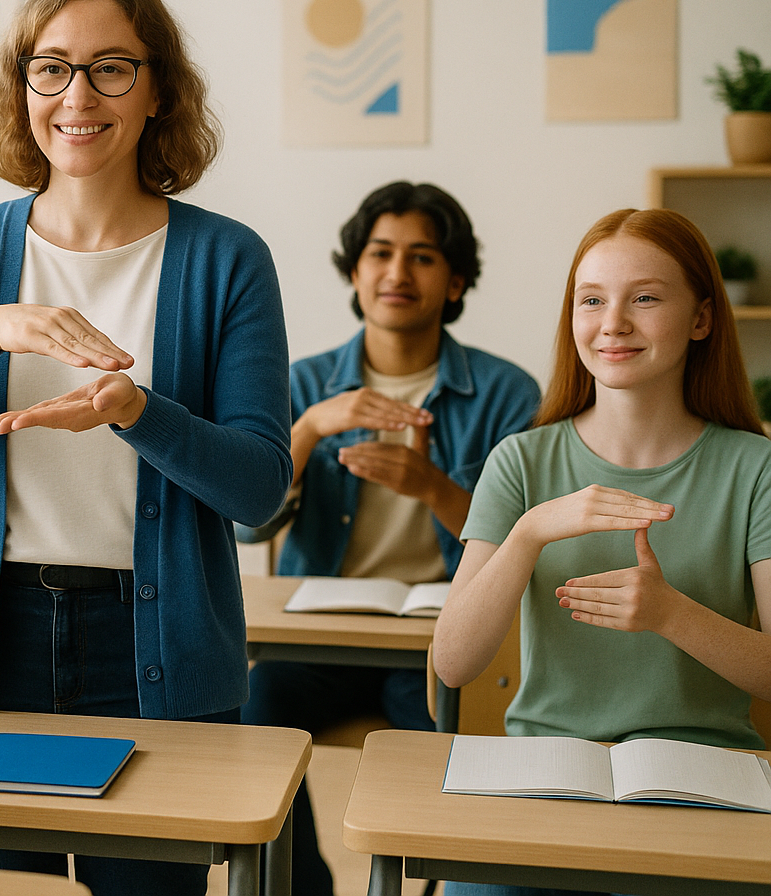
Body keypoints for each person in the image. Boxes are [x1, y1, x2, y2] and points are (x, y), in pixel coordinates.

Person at [0, 0, 292, 896]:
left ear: (158, 89)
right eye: (51, 68)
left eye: (111, 68)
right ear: (22, 86)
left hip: (154, 652)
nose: (77, 96)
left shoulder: (227, 258)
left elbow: (258, 490)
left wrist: (139, 413)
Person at [434, 207, 771, 896]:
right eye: (592, 300)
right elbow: (453, 662)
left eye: (645, 298)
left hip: (703, 778)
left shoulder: (755, 468)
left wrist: (671, 613)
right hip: (544, 773)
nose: (613, 321)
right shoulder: (519, 462)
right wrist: (529, 532)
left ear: (702, 318)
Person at [239, 181, 539, 896]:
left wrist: (433, 486)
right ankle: (302, 888)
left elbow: (525, 545)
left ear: (456, 280)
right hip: (320, 638)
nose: (397, 273)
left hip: (437, 644)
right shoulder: (303, 382)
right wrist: (309, 429)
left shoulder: (508, 394)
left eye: (423, 257)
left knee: (450, 761)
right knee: (252, 716)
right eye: (380, 253)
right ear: (354, 271)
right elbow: (251, 525)